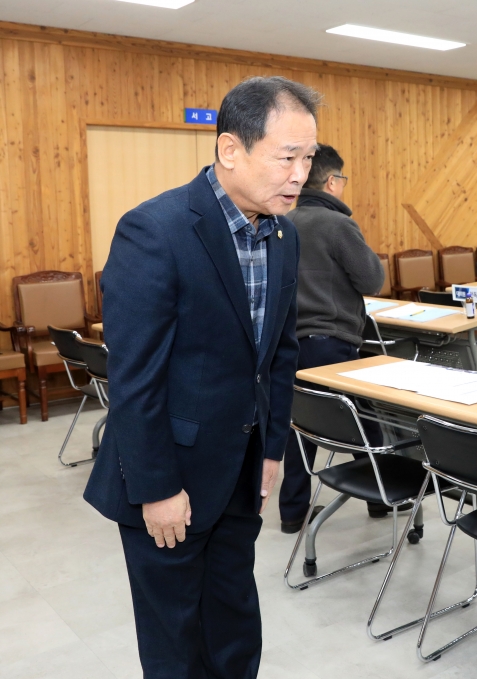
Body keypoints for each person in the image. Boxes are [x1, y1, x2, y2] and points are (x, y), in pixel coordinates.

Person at [84, 76, 320, 678]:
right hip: (170, 478)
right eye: (287, 157)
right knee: (177, 643)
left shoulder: (283, 234)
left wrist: (271, 449)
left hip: (241, 471)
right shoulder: (155, 230)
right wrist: (156, 488)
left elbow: (279, 354)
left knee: (234, 625)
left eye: (309, 158)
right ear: (230, 149)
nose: (300, 175)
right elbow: (135, 379)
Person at [277, 143, 388, 533]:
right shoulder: (338, 225)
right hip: (332, 343)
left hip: (290, 343)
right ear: (331, 182)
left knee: (300, 425)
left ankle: (293, 510)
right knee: (365, 421)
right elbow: (372, 279)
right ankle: (380, 498)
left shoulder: (284, 222)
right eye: (343, 179)